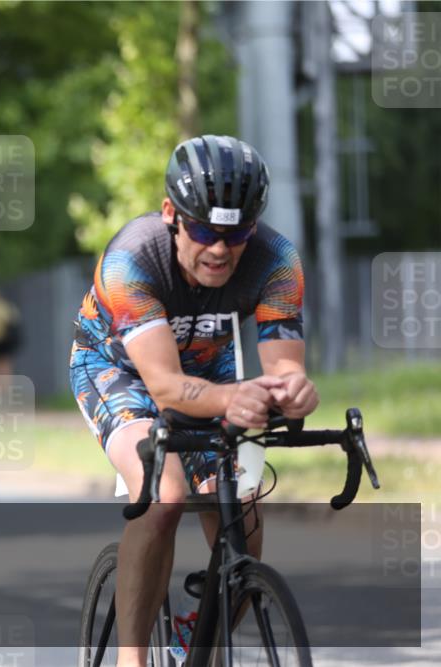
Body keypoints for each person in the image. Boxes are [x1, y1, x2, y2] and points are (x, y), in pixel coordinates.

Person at [69, 135, 319, 667]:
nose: (220, 249)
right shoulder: (132, 258)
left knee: (241, 522)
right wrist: (233, 398)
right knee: (166, 494)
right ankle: (131, 660)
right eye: (205, 230)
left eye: (237, 233)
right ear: (171, 214)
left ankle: (194, 645)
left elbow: (284, 367)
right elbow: (162, 386)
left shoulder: (276, 261)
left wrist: (294, 389)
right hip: (118, 368)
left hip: (209, 369)